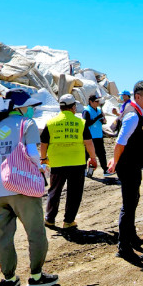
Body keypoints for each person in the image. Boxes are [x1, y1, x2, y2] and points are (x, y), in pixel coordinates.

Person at [0, 89, 58, 286]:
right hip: (22, 187)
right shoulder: (27, 124)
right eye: (28, 106)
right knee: (35, 232)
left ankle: (9, 279)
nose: (31, 110)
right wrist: (42, 166)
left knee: (3, 235)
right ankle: (36, 276)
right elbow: (33, 152)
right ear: (19, 107)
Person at [108, 80, 143, 261]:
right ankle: (124, 247)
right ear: (137, 97)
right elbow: (120, 141)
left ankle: (132, 237)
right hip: (128, 167)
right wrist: (115, 161)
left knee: (134, 200)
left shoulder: (136, 112)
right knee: (128, 205)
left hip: (133, 165)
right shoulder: (133, 115)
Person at [40, 94, 98, 230]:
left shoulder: (51, 123)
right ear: (73, 107)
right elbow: (88, 143)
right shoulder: (80, 123)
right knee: (74, 193)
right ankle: (68, 221)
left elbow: (44, 143)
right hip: (77, 163)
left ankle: (49, 219)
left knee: (54, 191)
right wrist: (93, 158)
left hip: (57, 162)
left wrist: (43, 158)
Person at [82, 95, 112, 178]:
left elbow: (100, 121)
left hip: (98, 135)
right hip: (90, 137)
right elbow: (86, 123)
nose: (98, 103)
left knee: (102, 154)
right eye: (96, 101)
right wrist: (97, 117)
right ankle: (83, 170)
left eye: (98, 101)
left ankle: (105, 170)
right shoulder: (86, 111)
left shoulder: (98, 110)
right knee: (87, 154)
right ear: (91, 102)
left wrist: (103, 120)